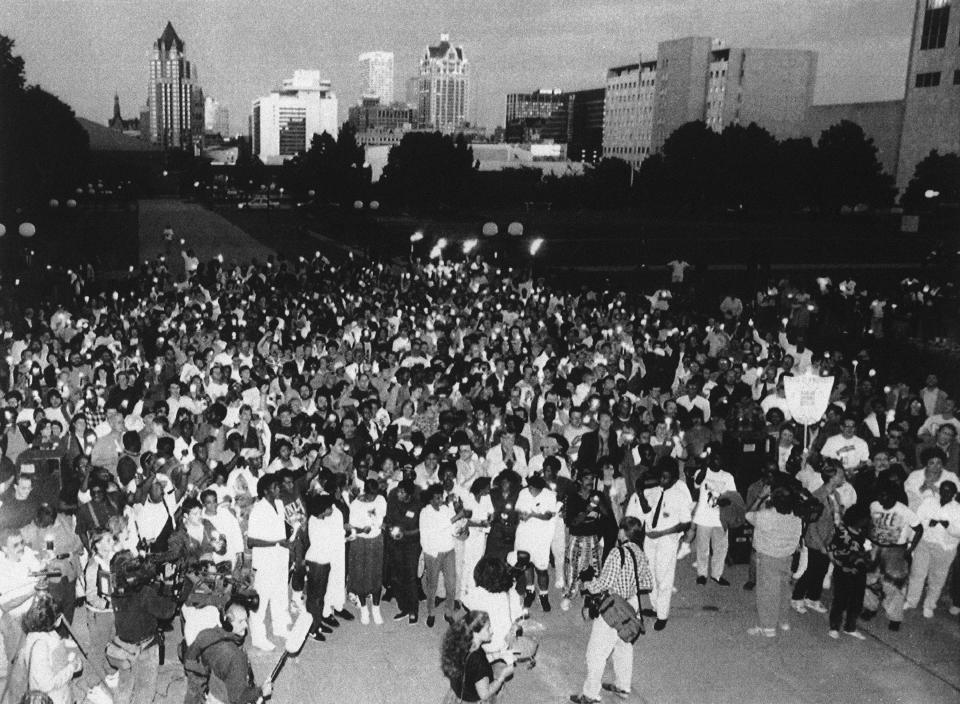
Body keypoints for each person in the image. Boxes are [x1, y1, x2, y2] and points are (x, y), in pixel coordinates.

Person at [570, 516, 652, 704]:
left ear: (623, 532)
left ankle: (590, 695)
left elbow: (603, 584)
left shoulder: (617, 553)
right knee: (623, 647)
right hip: (632, 606)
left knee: (596, 653)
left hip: (613, 607)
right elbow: (648, 583)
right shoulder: (640, 552)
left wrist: (586, 584)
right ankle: (623, 687)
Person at [625, 458, 692, 630]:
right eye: (660, 477)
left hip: (667, 539)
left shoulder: (680, 495)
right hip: (650, 538)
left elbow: (685, 523)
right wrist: (640, 493)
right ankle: (656, 607)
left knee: (664, 577)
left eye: (666, 478)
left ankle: (663, 615)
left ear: (675, 478)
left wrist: (662, 533)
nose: (662, 481)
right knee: (651, 575)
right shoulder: (654, 490)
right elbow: (647, 510)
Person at [182, 602, 273, 704]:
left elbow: (189, 660)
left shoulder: (206, 634)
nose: (246, 625)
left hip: (213, 692)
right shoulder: (236, 657)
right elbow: (238, 698)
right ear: (228, 623)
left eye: (246, 620)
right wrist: (261, 691)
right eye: (241, 621)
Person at [744, 485, 803, 638]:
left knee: (767, 592)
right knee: (784, 590)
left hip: (768, 558)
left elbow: (748, 515)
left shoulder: (766, 516)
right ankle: (783, 621)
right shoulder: (796, 518)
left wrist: (760, 497)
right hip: (787, 558)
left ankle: (768, 626)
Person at [791, 460, 845, 614]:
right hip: (816, 540)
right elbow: (811, 524)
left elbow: (837, 518)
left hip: (829, 539)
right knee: (813, 569)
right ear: (832, 477)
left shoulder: (836, 495)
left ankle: (813, 598)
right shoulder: (817, 496)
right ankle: (797, 597)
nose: (844, 478)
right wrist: (821, 545)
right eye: (841, 475)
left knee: (822, 570)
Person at [245, 475, 291, 650]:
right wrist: (276, 542)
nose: (279, 489)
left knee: (279, 594)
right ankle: (258, 637)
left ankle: (279, 627)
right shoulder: (258, 509)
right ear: (266, 491)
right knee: (261, 599)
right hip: (265, 561)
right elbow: (251, 541)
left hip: (280, 558)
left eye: (279, 486)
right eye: (275, 487)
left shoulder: (279, 505)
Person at [11, 592, 82, 704]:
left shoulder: (33, 634)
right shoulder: (41, 647)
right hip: (52, 699)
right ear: (58, 620)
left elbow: (52, 661)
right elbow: (46, 685)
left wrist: (64, 646)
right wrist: (72, 668)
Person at [904, 480, 960, 618]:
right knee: (917, 573)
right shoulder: (929, 502)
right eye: (943, 490)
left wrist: (946, 525)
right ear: (939, 491)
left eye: (949, 491)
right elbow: (918, 520)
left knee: (937, 577)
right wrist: (929, 523)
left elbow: (958, 531)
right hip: (925, 542)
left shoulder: (957, 509)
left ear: (954, 493)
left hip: (945, 548)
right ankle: (911, 600)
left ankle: (929, 605)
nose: (946, 494)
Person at [440, 610, 514, 704]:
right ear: (475, 632)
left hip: (460, 690)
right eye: (488, 628)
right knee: (501, 670)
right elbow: (484, 694)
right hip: (471, 699)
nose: (492, 630)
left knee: (499, 661)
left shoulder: (459, 642)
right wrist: (502, 676)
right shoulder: (479, 662)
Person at [827, 504, 875, 640]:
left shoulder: (862, 533)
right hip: (843, 569)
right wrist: (839, 565)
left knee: (856, 600)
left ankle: (850, 627)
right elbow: (831, 548)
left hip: (859, 569)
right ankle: (834, 627)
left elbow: (865, 551)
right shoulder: (842, 531)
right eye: (866, 518)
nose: (867, 521)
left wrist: (864, 557)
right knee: (840, 599)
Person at [514, 474, 559, 612]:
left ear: (539, 488)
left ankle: (544, 595)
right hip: (524, 535)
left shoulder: (550, 495)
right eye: (529, 487)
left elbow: (548, 515)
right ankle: (530, 591)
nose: (529, 490)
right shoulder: (523, 492)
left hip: (541, 537)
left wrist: (533, 515)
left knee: (541, 569)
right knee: (527, 564)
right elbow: (518, 509)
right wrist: (522, 515)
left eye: (532, 488)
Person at [420, 484, 461, 627]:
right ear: (430, 499)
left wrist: (458, 529)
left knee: (451, 583)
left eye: (441, 497)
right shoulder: (425, 512)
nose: (440, 500)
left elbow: (452, 529)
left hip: (448, 550)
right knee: (432, 585)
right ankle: (431, 612)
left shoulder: (446, 509)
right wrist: (456, 518)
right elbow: (435, 529)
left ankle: (448, 613)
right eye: (437, 498)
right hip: (433, 553)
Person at [692, 454, 737, 586]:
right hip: (704, 517)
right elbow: (697, 483)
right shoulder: (701, 472)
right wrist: (705, 467)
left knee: (721, 547)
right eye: (714, 459)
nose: (717, 461)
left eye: (719, 459)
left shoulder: (727, 476)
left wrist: (725, 501)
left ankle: (717, 575)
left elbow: (732, 496)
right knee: (702, 548)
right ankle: (702, 574)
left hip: (720, 518)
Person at [348, 478, 387, 625]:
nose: (373, 498)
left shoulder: (381, 500)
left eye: (375, 495)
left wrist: (380, 524)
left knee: (376, 574)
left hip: (376, 540)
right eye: (370, 495)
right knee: (360, 575)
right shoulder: (356, 504)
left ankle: (376, 608)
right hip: (360, 541)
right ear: (365, 492)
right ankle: (364, 609)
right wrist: (362, 529)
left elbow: (381, 519)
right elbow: (352, 527)